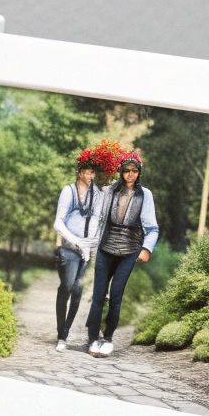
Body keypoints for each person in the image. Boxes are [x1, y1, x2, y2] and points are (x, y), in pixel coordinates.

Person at [84, 153, 158, 357]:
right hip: (105, 247)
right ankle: (92, 338)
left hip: (129, 251)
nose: (130, 175)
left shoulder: (146, 195)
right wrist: (93, 166)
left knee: (116, 296)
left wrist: (146, 249)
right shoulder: (108, 191)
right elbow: (92, 199)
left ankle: (107, 337)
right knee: (98, 295)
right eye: (126, 171)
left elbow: (152, 228)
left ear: (139, 172)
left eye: (134, 171)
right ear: (121, 171)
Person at [50, 153, 101, 351]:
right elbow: (58, 222)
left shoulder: (95, 193)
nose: (91, 176)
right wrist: (76, 241)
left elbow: (96, 219)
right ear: (79, 172)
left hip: (86, 250)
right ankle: (60, 332)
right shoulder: (68, 191)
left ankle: (65, 333)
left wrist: (90, 246)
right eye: (88, 172)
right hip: (69, 249)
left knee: (78, 289)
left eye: (93, 173)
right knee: (67, 286)